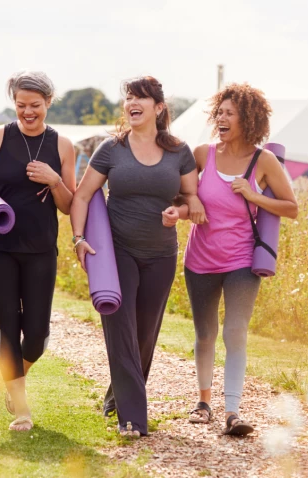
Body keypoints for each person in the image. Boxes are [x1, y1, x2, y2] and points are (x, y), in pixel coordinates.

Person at [70, 76, 201, 437]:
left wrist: (181, 213)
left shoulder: (179, 151)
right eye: (128, 97)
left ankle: (117, 395)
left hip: (161, 253)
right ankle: (133, 419)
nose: (132, 103)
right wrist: (79, 238)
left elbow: (193, 200)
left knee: (145, 333)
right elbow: (82, 196)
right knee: (121, 328)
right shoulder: (111, 150)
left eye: (140, 97)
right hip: (117, 251)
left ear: (159, 108)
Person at [0, 71, 76, 432]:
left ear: (48, 103)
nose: (27, 112)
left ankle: (13, 377)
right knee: (8, 326)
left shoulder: (63, 145)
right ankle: (22, 409)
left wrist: (54, 180)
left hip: (40, 249)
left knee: (36, 335)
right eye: (21, 105)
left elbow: (69, 206)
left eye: (35, 105)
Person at [183, 83, 298, 436]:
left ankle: (232, 410)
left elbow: (292, 208)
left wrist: (254, 195)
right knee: (205, 333)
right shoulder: (202, 154)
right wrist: (192, 203)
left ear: (247, 119)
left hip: (241, 262)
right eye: (219, 112)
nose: (221, 118)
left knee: (235, 332)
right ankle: (203, 403)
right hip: (199, 258)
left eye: (229, 113)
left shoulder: (263, 161)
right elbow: (182, 192)